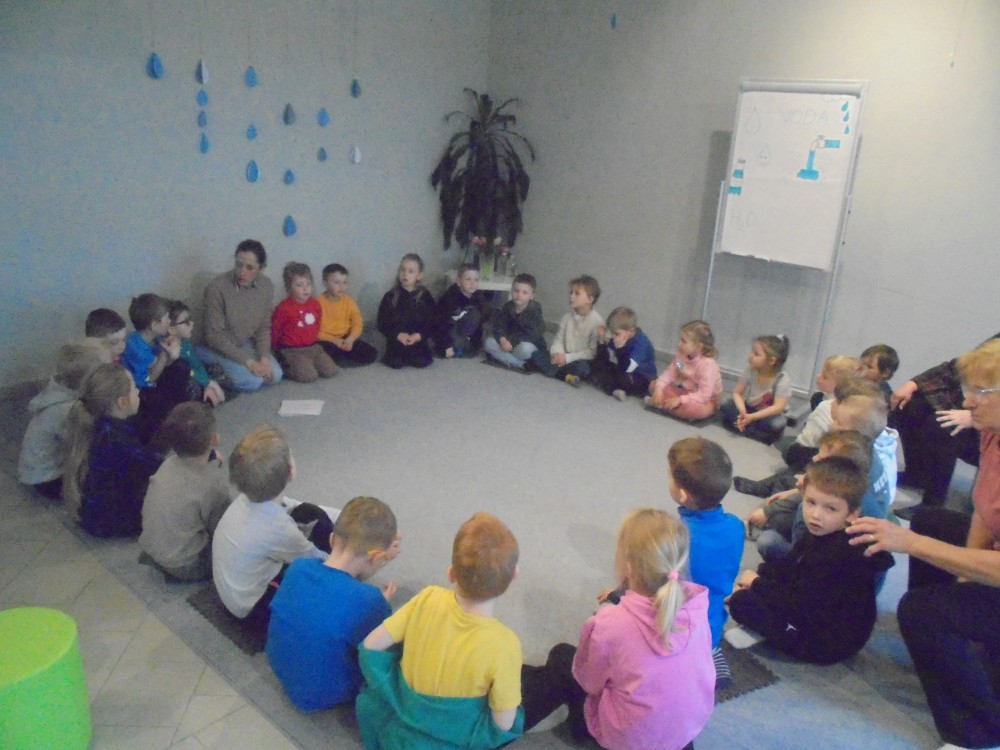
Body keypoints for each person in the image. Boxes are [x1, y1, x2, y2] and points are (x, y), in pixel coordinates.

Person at [848, 338, 1000, 750]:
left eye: (982, 392)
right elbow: (985, 509)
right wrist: (965, 574)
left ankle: (978, 733)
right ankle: (951, 649)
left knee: (920, 609)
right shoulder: (991, 432)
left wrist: (911, 543)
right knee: (932, 521)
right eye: (970, 389)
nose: (968, 401)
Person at [520, 509, 714, 750]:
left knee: (561, 656)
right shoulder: (697, 607)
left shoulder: (610, 623)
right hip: (684, 731)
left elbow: (589, 682)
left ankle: (503, 724)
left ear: (629, 567)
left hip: (628, 739)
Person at [357, 512, 523, 749]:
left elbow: (370, 646)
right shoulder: (506, 644)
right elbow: (503, 725)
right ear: (514, 575)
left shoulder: (428, 597)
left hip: (396, 732)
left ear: (451, 573)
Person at [725, 457, 894, 664]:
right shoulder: (822, 532)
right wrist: (762, 577)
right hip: (813, 611)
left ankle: (769, 629)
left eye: (831, 509)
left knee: (741, 603)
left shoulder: (837, 554)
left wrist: (756, 584)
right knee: (765, 578)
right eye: (811, 502)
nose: (816, 515)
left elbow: (799, 607)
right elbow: (790, 567)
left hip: (827, 642)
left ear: (852, 515)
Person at [266, 497, 398, 713]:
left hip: (278, 664)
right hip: (323, 691)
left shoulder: (299, 567)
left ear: (331, 539)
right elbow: (378, 645)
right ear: (375, 558)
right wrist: (382, 603)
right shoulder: (369, 600)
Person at [212, 425, 334, 638]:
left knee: (307, 511)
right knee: (321, 570)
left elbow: (289, 505)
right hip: (255, 612)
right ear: (290, 472)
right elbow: (314, 557)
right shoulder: (278, 528)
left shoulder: (245, 499)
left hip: (233, 595)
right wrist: (345, 560)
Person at [666, 437, 743, 690]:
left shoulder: (675, 536)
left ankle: (688, 662)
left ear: (682, 495)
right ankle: (710, 654)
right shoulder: (736, 526)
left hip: (677, 628)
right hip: (712, 625)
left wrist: (618, 595)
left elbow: (652, 581)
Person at [890, 334, 998, 510]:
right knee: (910, 404)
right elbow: (957, 367)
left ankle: (933, 504)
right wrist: (912, 384)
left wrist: (972, 416)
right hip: (980, 414)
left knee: (943, 425)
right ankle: (917, 475)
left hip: (989, 428)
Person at [63, 363, 163, 537]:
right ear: (122, 402)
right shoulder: (119, 442)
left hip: (90, 515)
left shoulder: (95, 425)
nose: (138, 391)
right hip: (112, 522)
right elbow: (158, 468)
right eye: (134, 388)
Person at [138, 402, 233, 581]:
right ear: (215, 439)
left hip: (152, 549)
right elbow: (222, 529)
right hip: (186, 565)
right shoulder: (213, 487)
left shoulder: (167, 464)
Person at [747, 430, 872, 555]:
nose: (814, 458)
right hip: (813, 539)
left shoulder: (839, 547)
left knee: (768, 539)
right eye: (811, 502)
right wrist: (795, 493)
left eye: (821, 459)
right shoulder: (848, 486)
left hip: (812, 550)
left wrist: (770, 511)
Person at [18, 339, 110, 499]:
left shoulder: (61, 389)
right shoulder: (66, 410)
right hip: (48, 479)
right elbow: (83, 443)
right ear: (88, 382)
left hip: (42, 470)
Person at [195, 239, 284, 392]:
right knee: (252, 381)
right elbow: (214, 337)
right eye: (238, 264)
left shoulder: (266, 285)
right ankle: (208, 372)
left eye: (250, 267)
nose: (242, 272)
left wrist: (264, 357)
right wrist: (250, 363)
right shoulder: (216, 288)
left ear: (261, 268)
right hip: (214, 347)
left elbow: (263, 327)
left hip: (243, 342)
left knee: (275, 375)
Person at [773, 355, 867, 471]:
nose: (818, 376)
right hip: (833, 453)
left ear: (838, 386)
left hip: (813, 452)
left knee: (788, 447)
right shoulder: (853, 407)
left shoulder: (826, 406)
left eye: (825, 376)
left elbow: (807, 441)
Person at [121, 293, 192, 441]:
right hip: (140, 391)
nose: (170, 321)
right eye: (167, 318)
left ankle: (178, 414)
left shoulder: (157, 337)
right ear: (154, 325)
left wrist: (171, 356)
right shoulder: (135, 347)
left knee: (182, 366)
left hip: (155, 380)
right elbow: (148, 380)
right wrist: (165, 355)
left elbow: (164, 366)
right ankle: (161, 429)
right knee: (156, 401)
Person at [530, 274, 604, 387]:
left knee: (583, 368)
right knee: (536, 355)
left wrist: (567, 358)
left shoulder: (597, 322)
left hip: (580, 359)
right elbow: (558, 341)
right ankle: (567, 376)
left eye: (577, 294)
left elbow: (592, 352)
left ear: (590, 299)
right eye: (571, 293)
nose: (572, 296)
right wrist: (557, 354)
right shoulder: (566, 317)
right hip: (564, 355)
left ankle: (557, 372)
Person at [271, 262, 339, 383]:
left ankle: (307, 364)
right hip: (293, 350)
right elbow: (275, 330)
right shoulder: (283, 308)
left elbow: (317, 324)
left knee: (330, 370)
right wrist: (276, 350)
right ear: (289, 287)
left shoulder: (315, 304)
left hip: (313, 347)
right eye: (299, 285)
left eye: (308, 284)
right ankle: (286, 367)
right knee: (309, 376)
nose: (305, 288)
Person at [720, 334, 791, 444]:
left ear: (771, 361)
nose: (750, 356)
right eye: (752, 351)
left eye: (756, 354)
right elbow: (737, 393)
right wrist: (743, 412)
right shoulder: (750, 370)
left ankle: (745, 427)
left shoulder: (782, 379)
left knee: (775, 424)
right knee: (725, 405)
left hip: (767, 414)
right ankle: (750, 428)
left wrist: (752, 417)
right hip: (749, 409)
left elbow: (778, 407)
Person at [646, 319, 723, 420]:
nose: (679, 344)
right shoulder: (680, 356)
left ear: (699, 346)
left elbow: (704, 396)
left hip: (705, 400)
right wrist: (659, 389)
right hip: (685, 391)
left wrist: (681, 400)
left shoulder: (708, 365)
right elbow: (669, 375)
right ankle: (669, 405)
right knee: (654, 385)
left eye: (684, 341)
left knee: (695, 410)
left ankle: (662, 405)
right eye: (680, 340)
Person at [376, 253, 435, 369]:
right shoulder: (390, 296)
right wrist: (397, 335)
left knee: (421, 362)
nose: (405, 274)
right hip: (397, 342)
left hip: (418, 342)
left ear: (419, 275)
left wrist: (419, 336)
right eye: (402, 270)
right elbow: (382, 322)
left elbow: (433, 321)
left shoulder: (425, 296)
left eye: (410, 271)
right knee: (396, 363)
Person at [315, 263, 378, 366]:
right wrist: (334, 340)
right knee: (328, 350)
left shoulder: (349, 301)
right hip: (327, 339)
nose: (342, 286)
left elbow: (357, 323)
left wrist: (350, 339)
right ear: (325, 283)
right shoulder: (317, 303)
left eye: (344, 282)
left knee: (372, 353)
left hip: (345, 337)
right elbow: (314, 331)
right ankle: (340, 356)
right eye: (337, 282)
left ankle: (344, 354)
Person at [590, 306, 657, 401]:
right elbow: (604, 359)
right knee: (598, 366)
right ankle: (615, 389)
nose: (613, 337)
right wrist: (602, 342)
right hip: (624, 371)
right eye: (612, 333)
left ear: (631, 331)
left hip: (641, 378)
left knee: (619, 378)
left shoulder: (641, 343)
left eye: (617, 334)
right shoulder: (619, 338)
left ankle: (613, 389)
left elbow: (628, 368)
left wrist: (620, 349)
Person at [482, 273, 546, 371]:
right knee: (488, 343)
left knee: (526, 349)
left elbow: (532, 334)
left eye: (524, 292)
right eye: (516, 291)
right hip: (506, 344)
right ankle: (519, 363)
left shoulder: (535, 311)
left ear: (532, 295)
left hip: (523, 344)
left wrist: (512, 342)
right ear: (512, 290)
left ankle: (503, 358)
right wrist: (502, 339)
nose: (519, 295)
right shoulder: (507, 306)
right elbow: (499, 326)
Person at [168, 301, 225, 406]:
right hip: (184, 379)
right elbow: (188, 372)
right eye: (186, 322)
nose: (192, 323)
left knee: (217, 369)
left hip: (195, 373)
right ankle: (199, 402)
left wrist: (207, 382)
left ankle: (209, 393)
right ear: (172, 329)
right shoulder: (171, 349)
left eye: (190, 319)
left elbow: (197, 365)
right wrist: (207, 383)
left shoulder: (185, 342)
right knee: (193, 387)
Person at [434, 263, 491, 358]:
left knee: (475, 314)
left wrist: (477, 343)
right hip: (450, 337)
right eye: (468, 279)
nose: (472, 283)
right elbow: (441, 324)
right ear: (459, 281)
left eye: (476, 280)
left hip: (466, 337)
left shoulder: (478, 298)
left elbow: (480, 323)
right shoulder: (448, 300)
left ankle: (467, 346)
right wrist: (446, 345)